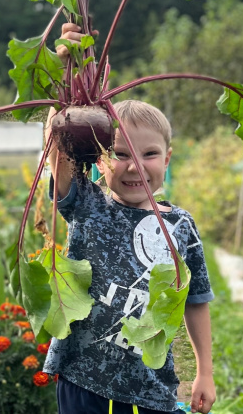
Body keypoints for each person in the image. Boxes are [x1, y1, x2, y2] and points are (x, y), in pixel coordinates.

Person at [42, 23, 216, 414]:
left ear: (168, 159)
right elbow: (58, 147)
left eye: (149, 154)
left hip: (148, 387)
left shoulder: (181, 227)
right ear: (99, 159)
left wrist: (204, 369)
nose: (135, 165)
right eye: (119, 154)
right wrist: (66, 75)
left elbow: (196, 300)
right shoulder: (88, 203)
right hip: (82, 379)